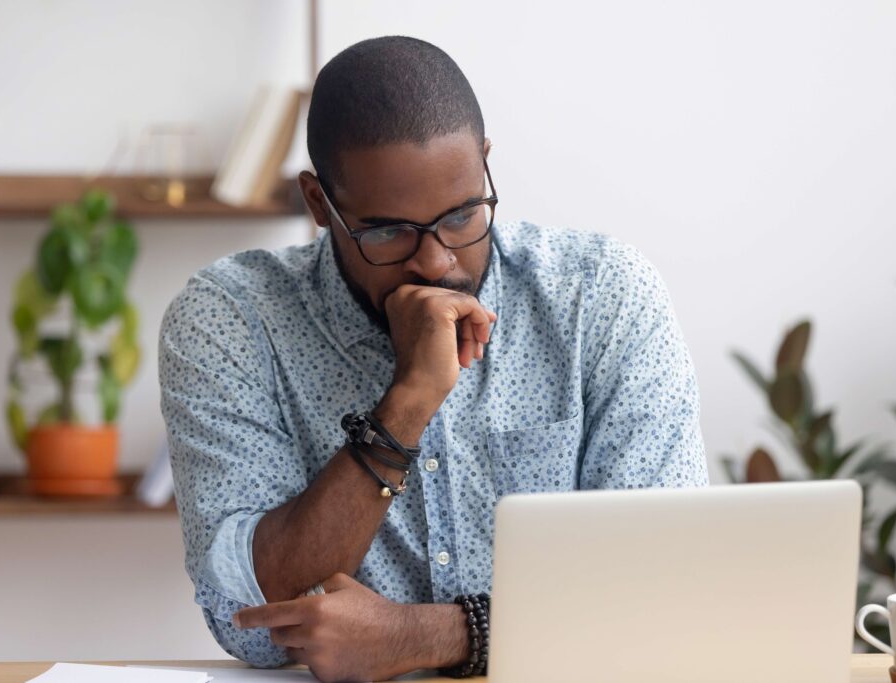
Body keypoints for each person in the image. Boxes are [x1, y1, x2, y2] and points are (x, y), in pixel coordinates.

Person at [158, 35, 707, 682]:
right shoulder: (234, 318)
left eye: (462, 214)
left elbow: (665, 589)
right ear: (318, 204)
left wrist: (420, 636)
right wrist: (407, 402)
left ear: (485, 165)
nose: (437, 261)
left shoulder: (602, 296)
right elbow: (249, 617)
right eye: (388, 230)